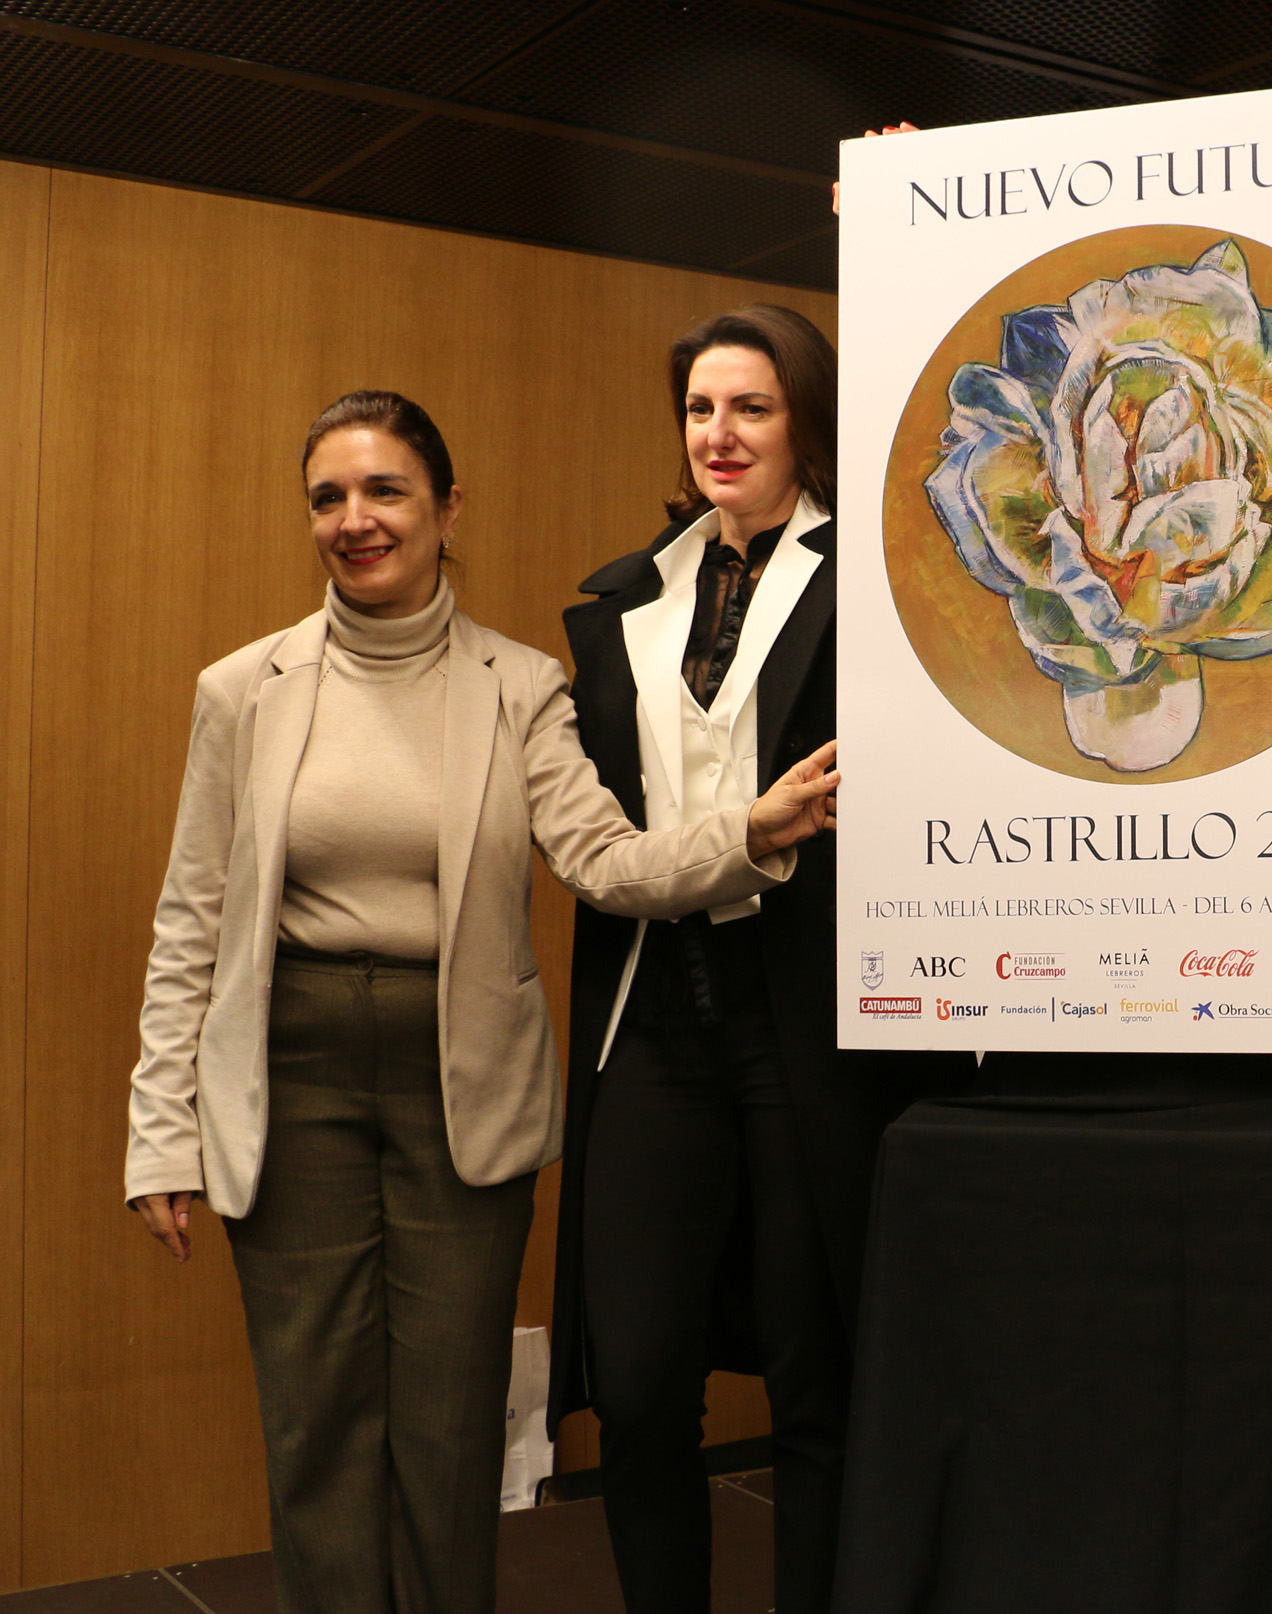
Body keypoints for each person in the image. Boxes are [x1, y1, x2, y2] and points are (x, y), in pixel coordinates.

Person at [124, 390, 845, 1614]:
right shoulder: (243, 690)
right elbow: (190, 918)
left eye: (385, 490)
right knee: (314, 1417)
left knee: (451, 1427)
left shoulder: (521, 686)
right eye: (328, 497)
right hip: (289, 1081)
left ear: (447, 508)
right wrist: (161, 1130)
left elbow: (608, 862)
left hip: (463, 1085)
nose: (355, 520)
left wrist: (749, 832)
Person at [551, 304, 971, 1613]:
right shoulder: (624, 601)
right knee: (636, 1382)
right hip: (653, 1017)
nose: (720, 433)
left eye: (752, 407)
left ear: (806, 424)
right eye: (700, 408)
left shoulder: (881, 579)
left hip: (809, 1021)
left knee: (815, 1375)